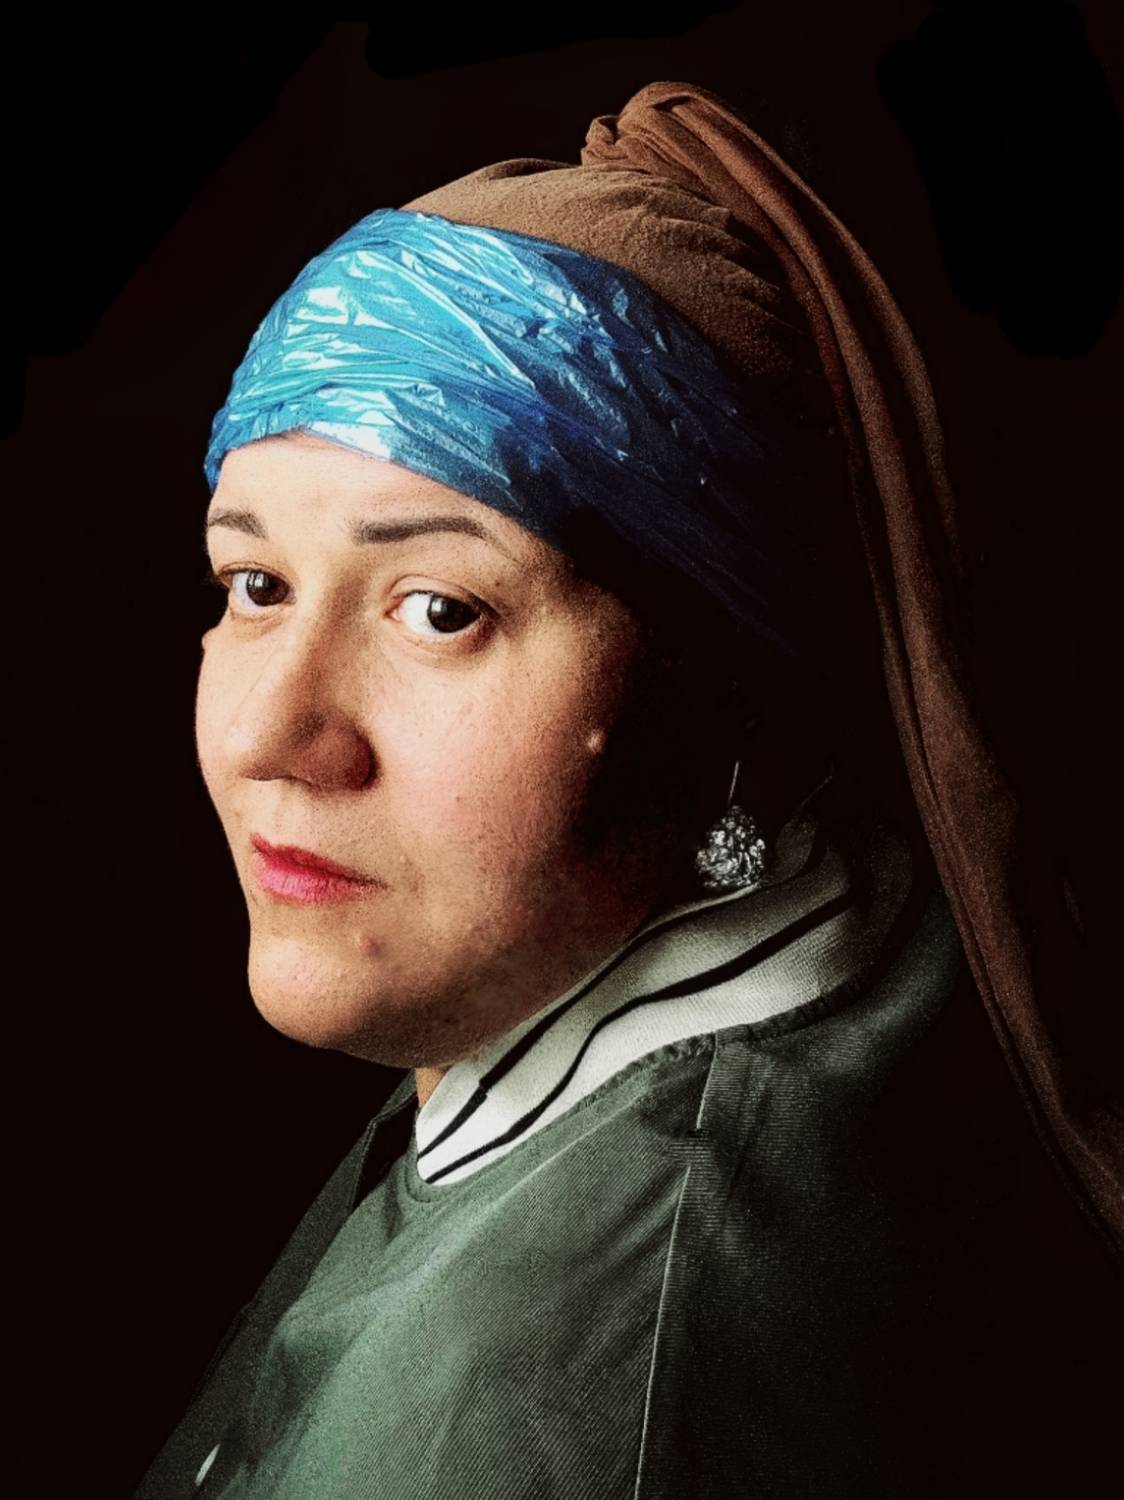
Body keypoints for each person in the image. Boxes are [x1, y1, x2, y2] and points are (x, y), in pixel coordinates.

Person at [134, 82, 1121, 1499]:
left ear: (724, 691)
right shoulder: (803, 925)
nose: (271, 734)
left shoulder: (547, 1414)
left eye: (441, 610)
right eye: (255, 583)